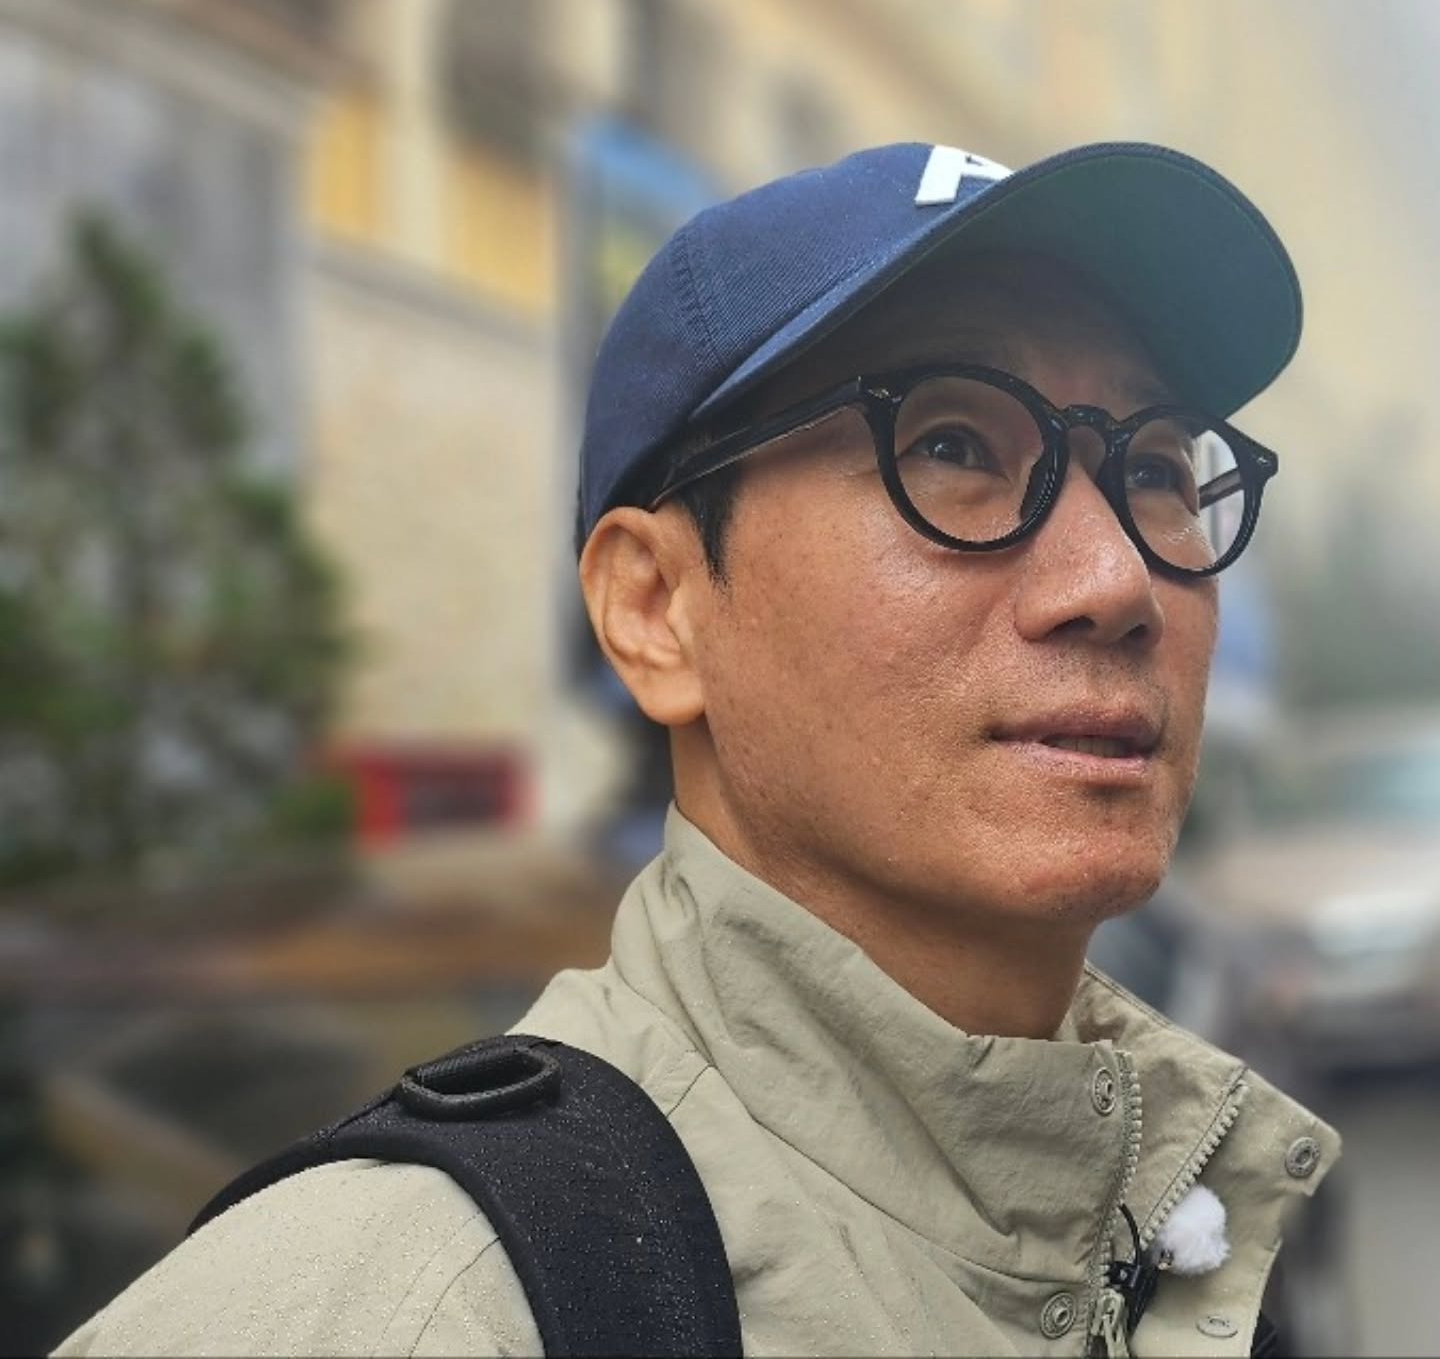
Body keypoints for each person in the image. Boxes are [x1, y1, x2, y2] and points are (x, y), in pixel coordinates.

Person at [57, 142, 1339, 1357]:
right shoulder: (401, 1314)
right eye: (952, 446)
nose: (1116, 578)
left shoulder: (1179, 1220)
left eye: (1156, 468)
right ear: (656, 609)